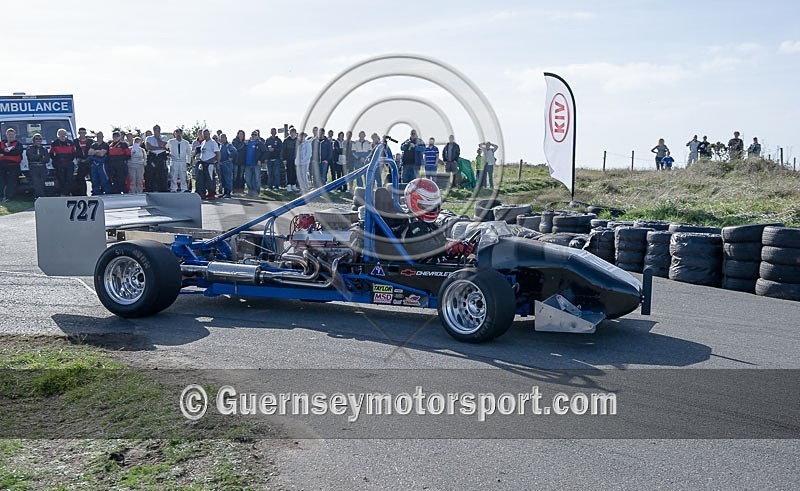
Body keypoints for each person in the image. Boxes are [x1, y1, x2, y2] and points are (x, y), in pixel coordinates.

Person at [50, 128, 77, 196]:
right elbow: (51, 153)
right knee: (61, 179)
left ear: (66, 134)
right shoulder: (54, 143)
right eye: (61, 134)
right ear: (58, 135)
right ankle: (62, 192)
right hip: (59, 163)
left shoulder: (70, 143)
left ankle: (66, 192)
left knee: (69, 179)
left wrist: (69, 160)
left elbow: (74, 153)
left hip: (68, 163)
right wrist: (55, 161)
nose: (62, 135)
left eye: (64, 134)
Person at [0, 128, 24, 202]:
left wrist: (3, 154)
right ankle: (1, 197)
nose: (11, 136)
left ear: (15, 135)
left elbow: (17, 153)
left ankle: (9, 198)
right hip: (2, 167)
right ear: (6, 135)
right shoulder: (1, 143)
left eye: (12, 134)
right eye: (9, 134)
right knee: (1, 182)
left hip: (13, 166)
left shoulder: (19, 144)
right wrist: (5, 151)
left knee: (11, 183)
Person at [25, 133, 50, 199]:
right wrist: (41, 156)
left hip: (42, 167)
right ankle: (40, 196)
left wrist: (39, 158)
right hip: (34, 167)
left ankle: (40, 196)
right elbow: (31, 158)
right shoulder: (29, 148)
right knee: (36, 182)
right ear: (33, 140)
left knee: (42, 182)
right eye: (36, 139)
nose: (38, 140)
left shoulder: (44, 149)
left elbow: (47, 159)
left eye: (40, 139)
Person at [197, 129, 219, 200]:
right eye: (204, 134)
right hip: (203, 163)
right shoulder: (203, 142)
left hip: (210, 164)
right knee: (202, 179)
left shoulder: (213, 142)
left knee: (210, 179)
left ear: (209, 134)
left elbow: (217, 153)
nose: (205, 135)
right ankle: (202, 193)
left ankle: (211, 193)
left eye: (207, 134)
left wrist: (217, 162)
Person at [145, 125, 169, 192]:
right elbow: (149, 147)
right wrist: (160, 148)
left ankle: (163, 189)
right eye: (155, 129)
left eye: (158, 129)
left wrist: (158, 138)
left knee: (162, 174)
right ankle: (151, 189)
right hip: (152, 157)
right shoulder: (149, 138)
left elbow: (162, 145)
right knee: (151, 174)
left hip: (161, 157)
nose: (156, 131)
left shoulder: (164, 137)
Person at [72, 127, 94, 196]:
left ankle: (95, 191)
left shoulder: (90, 141)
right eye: (81, 133)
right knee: (81, 178)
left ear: (85, 133)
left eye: (83, 133)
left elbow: (93, 150)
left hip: (90, 161)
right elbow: (73, 151)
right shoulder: (75, 141)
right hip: (80, 162)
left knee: (93, 177)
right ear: (78, 133)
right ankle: (83, 193)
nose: (82, 134)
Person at [244, 130, 266, 197]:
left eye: (255, 135)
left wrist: (260, 160)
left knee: (257, 178)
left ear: (257, 136)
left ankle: (257, 192)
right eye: (252, 134)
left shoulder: (260, 143)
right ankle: (250, 191)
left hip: (256, 163)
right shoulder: (247, 143)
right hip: (247, 164)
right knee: (247, 178)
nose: (253, 136)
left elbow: (265, 152)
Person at [218, 133, 237, 198]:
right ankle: (225, 192)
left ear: (226, 138)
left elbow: (234, 152)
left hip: (227, 163)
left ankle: (228, 192)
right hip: (221, 164)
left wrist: (231, 157)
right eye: (221, 138)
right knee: (223, 178)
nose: (222, 139)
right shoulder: (221, 146)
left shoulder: (228, 145)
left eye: (223, 137)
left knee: (227, 178)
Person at [281, 127, 299, 192]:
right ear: (290, 133)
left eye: (294, 132)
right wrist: (284, 159)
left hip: (296, 159)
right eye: (291, 132)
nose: (293, 134)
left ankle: (293, 185)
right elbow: (283, 151)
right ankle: (288, 186)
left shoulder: (298, 140)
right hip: (288, 159)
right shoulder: (286, 140)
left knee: (294, 172)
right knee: (289, 172)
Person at [231, 129, 247, 194]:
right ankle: (234, 189)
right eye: (240, 134)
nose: (241, 135)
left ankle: (241, 189)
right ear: (237, 135)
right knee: (235, 176)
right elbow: (235, 149)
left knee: (241, 176)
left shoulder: (245, 142)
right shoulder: (234, 141)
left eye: (242, 134)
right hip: (235, 161)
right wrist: (243, 144)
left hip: (242, 161)